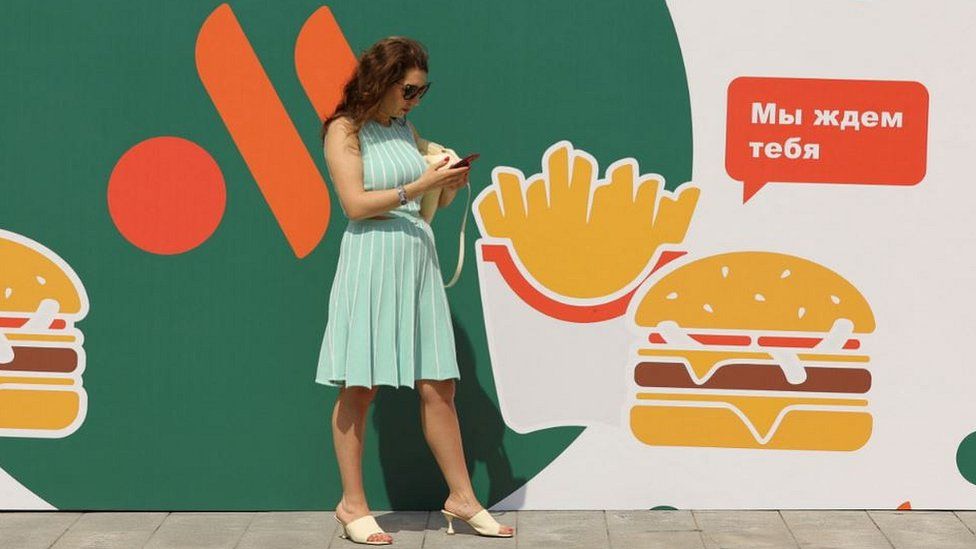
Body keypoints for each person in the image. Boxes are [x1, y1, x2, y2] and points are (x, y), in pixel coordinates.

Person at [315, 36, 515, 545]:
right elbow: (355, 205)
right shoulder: (344, 129)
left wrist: (445, 184)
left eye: (422, 92)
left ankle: (462, 499)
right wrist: (420, 186)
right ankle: (352, 504)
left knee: (439, 384)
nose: (414, 100)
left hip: (416, 259)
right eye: (409, 90)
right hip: (371, 258)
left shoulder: (405, 128)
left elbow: (423, 203)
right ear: (380, 81)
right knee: (359, 384)